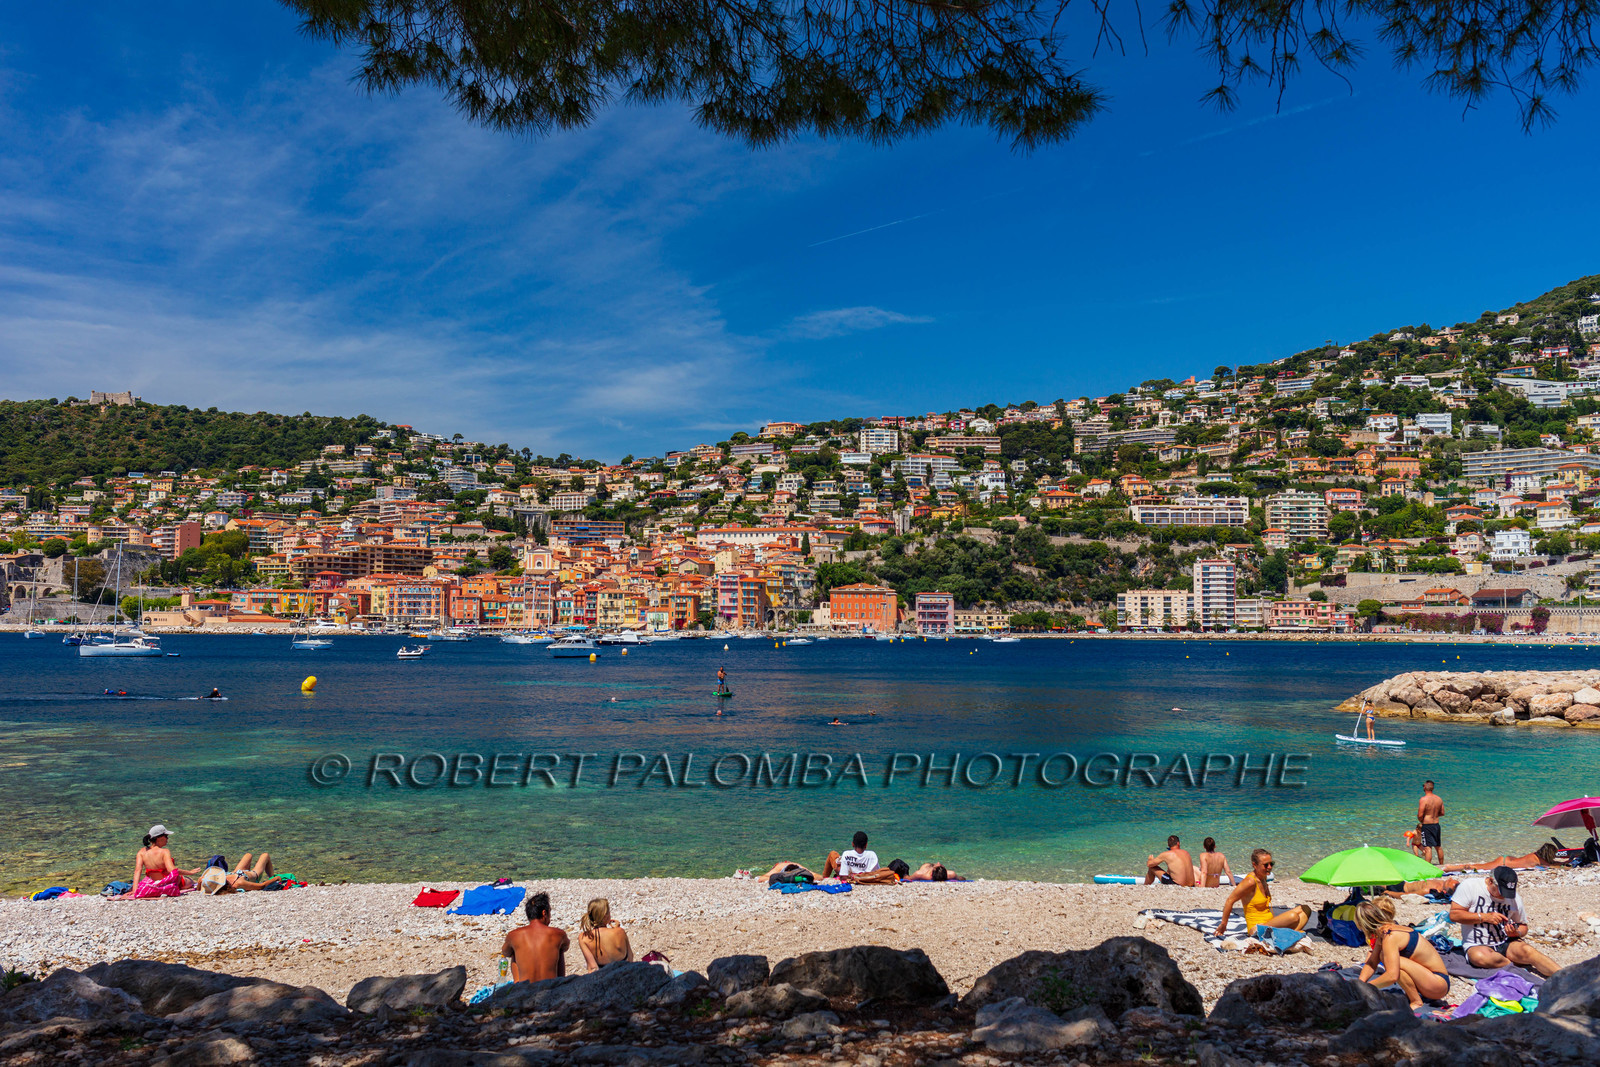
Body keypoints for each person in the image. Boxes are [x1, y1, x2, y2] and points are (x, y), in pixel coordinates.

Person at [1448, 866, 1561, 977]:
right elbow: (1454, 915)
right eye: (1501, 891)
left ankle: (1566, 975)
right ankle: (1517, 968)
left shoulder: (1514, 898)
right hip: (1477, 944)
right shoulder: (1470, 886)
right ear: (1490, 881)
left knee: (1528, 951)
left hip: (1505, 942)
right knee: (1480, 957)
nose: (1503, 896)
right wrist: (1484, 917)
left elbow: (1523, 926)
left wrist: (1517, 933)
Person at [1353, 898, 1451, 1010]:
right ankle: (1413, 997)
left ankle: (1416, 1002)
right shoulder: (1385, 931)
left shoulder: (1390, 936)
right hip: (1430, 981)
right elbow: (1372, 962)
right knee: (1382, 956)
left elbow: (1392, 976)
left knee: (1389, 961)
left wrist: (1367, 987)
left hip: (1438, 984)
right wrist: (1359, 984)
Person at [1213, 848, 1311, 943]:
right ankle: (1291, 935)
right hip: (1256, 928)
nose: (1269, 867)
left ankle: (1291, 935)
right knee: (1293, 916)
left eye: (1271, 864)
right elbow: (1230, 900)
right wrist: (1223, 924)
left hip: (1269, 923)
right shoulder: (1250, 881)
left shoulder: (1263, 877)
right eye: (1266, 865)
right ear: (1254, 865)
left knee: (1305, 909)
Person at [501, 892, 569, 983]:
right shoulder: (558, 934)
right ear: (544, 913)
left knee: (514, 951)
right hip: (550, 989)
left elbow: (505, 953)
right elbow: (566, 946)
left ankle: (517, 982)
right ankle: (560, 981)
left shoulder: (514, 935)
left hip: (525, 990)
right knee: (559, 948)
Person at [130, 825, 199, 898]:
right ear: (159, 837)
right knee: (191, 881)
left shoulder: (141, 852)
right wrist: (190, 872)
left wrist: (134, 890)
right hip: (170, 884)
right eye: (166, 836)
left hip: (154, 884)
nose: (167, 838)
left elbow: (137, 871)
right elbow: (172, 870)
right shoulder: (164, 852)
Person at [577, 898, 634, 972]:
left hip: (604, 979)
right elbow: (630, 957)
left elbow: (592, 967)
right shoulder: (620, 932)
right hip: (624, 974)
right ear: (605, 915)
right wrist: (616, 929)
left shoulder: (583, 937)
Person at [1417, 780, 1444, 866]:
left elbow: (1420, 814)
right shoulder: (1439, 799)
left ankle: (1427, 867)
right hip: (1436, 825)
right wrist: (1434, 815)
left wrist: (1422, 820)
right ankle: (1441, 866)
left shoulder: (1423, 799)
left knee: (1427, 847)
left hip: (1427, 825)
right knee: (1438, 846)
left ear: (1425, 788)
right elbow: (1442, 813)